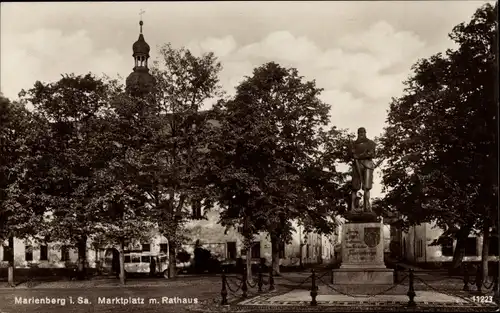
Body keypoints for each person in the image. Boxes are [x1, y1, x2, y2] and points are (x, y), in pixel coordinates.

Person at [350, 127, 376, 212]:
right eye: (359, 133)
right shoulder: (353, 144)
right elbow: (350, 155)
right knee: (355, 187)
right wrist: (352, 153)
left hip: (368, 165)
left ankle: (367, 206)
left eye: (363, 132)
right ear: (358, 134)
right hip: (357, 165)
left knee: (367, 187)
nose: (361, 134)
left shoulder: (371, 143)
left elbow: (371, 154)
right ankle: (353, 207)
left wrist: (359, 156)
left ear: (365, 133)